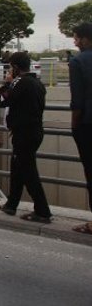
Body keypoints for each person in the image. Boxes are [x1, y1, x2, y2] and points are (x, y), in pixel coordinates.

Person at [0, 51, 52, 223]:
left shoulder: (20, 83)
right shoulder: (37, 83)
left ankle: (42, 211)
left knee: (28, 171)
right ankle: (11, 204)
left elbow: (5, 100)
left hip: (24, 133)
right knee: (18, 167)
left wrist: (6, 85)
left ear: (15, 67)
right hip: (34, 131)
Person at [69, 22, 92, 234]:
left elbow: (77, 101)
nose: (75, 42)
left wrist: (74, 125)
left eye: (76, 38)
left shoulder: (78, 62)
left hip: (87, 124)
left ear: (85, 39)